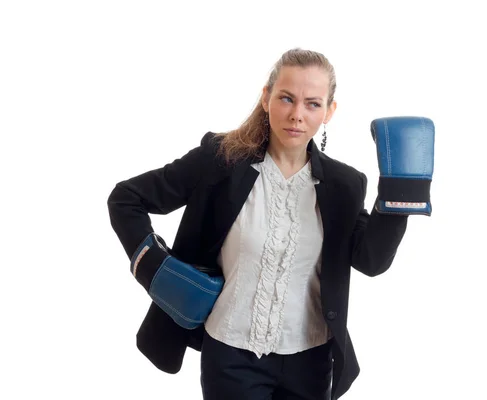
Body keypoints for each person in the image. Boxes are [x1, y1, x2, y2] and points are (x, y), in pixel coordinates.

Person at [107, 48, 421, 400]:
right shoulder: (220, 160)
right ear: (266, 97)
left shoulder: (344, 185)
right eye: (286, 98)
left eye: (313, 104)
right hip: (230, 355)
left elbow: (371, 261)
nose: (297, 115)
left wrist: (400, 196)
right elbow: (126, 199)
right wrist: (153, 267)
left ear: (329, 111)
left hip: (311, 361)